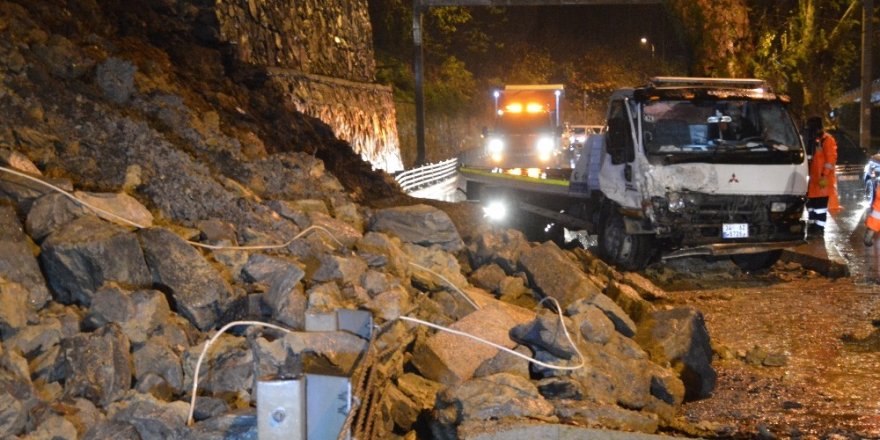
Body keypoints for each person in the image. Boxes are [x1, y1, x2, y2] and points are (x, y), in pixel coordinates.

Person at [805, 116, 837, 234]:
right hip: (813, 181)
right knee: (811, 205)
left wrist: (824, 175)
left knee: (820, 206)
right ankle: (813, 225)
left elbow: (830, 160)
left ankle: (819, 228)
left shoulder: (827, 140)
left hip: (822, 180)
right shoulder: (812, 140)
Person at [865, 177, 880, 246]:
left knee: (873, 226)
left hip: (877, 210)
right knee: (873, 226)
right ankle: (867, 239)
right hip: (877, 211)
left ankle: (867, 239)